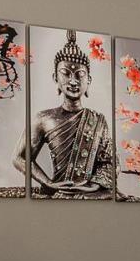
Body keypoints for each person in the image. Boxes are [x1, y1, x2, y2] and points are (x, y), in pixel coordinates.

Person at [17, 30, 115, 199]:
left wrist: (94, 186)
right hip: (60, 191)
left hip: (89, 192)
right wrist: (47, 182)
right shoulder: (43, 118)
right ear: (55, 77)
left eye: (80, 75)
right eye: (66, 74)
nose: (73, 81)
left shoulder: (98, 120)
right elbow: (19, 157)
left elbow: (109, 161)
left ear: (88, 80)